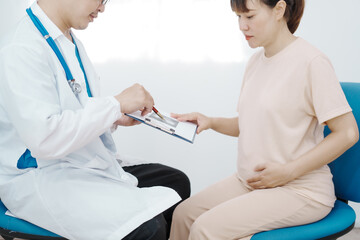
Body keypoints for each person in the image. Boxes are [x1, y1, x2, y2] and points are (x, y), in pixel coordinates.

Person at [0, 0, 190, 239]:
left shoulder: (68, 41)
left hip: (78, 158)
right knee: (148, 228)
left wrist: (115, 117)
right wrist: (115, 105)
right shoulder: (22, 48)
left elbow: (76, 107)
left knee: (177, 184)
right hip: (40, 175)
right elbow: (44, 138)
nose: (102, 7)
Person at [169, 0, 359, 239]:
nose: (241, 26)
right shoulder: (255, 62)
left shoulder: (312, 62)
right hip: (252, 181)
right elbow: (250, 123)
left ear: (279, 10)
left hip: (300, 189)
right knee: (184, 214)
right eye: (237, 17)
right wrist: (211, 121)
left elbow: (348, 133)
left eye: (249, 16)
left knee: (205, 229)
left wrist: (288, 172)